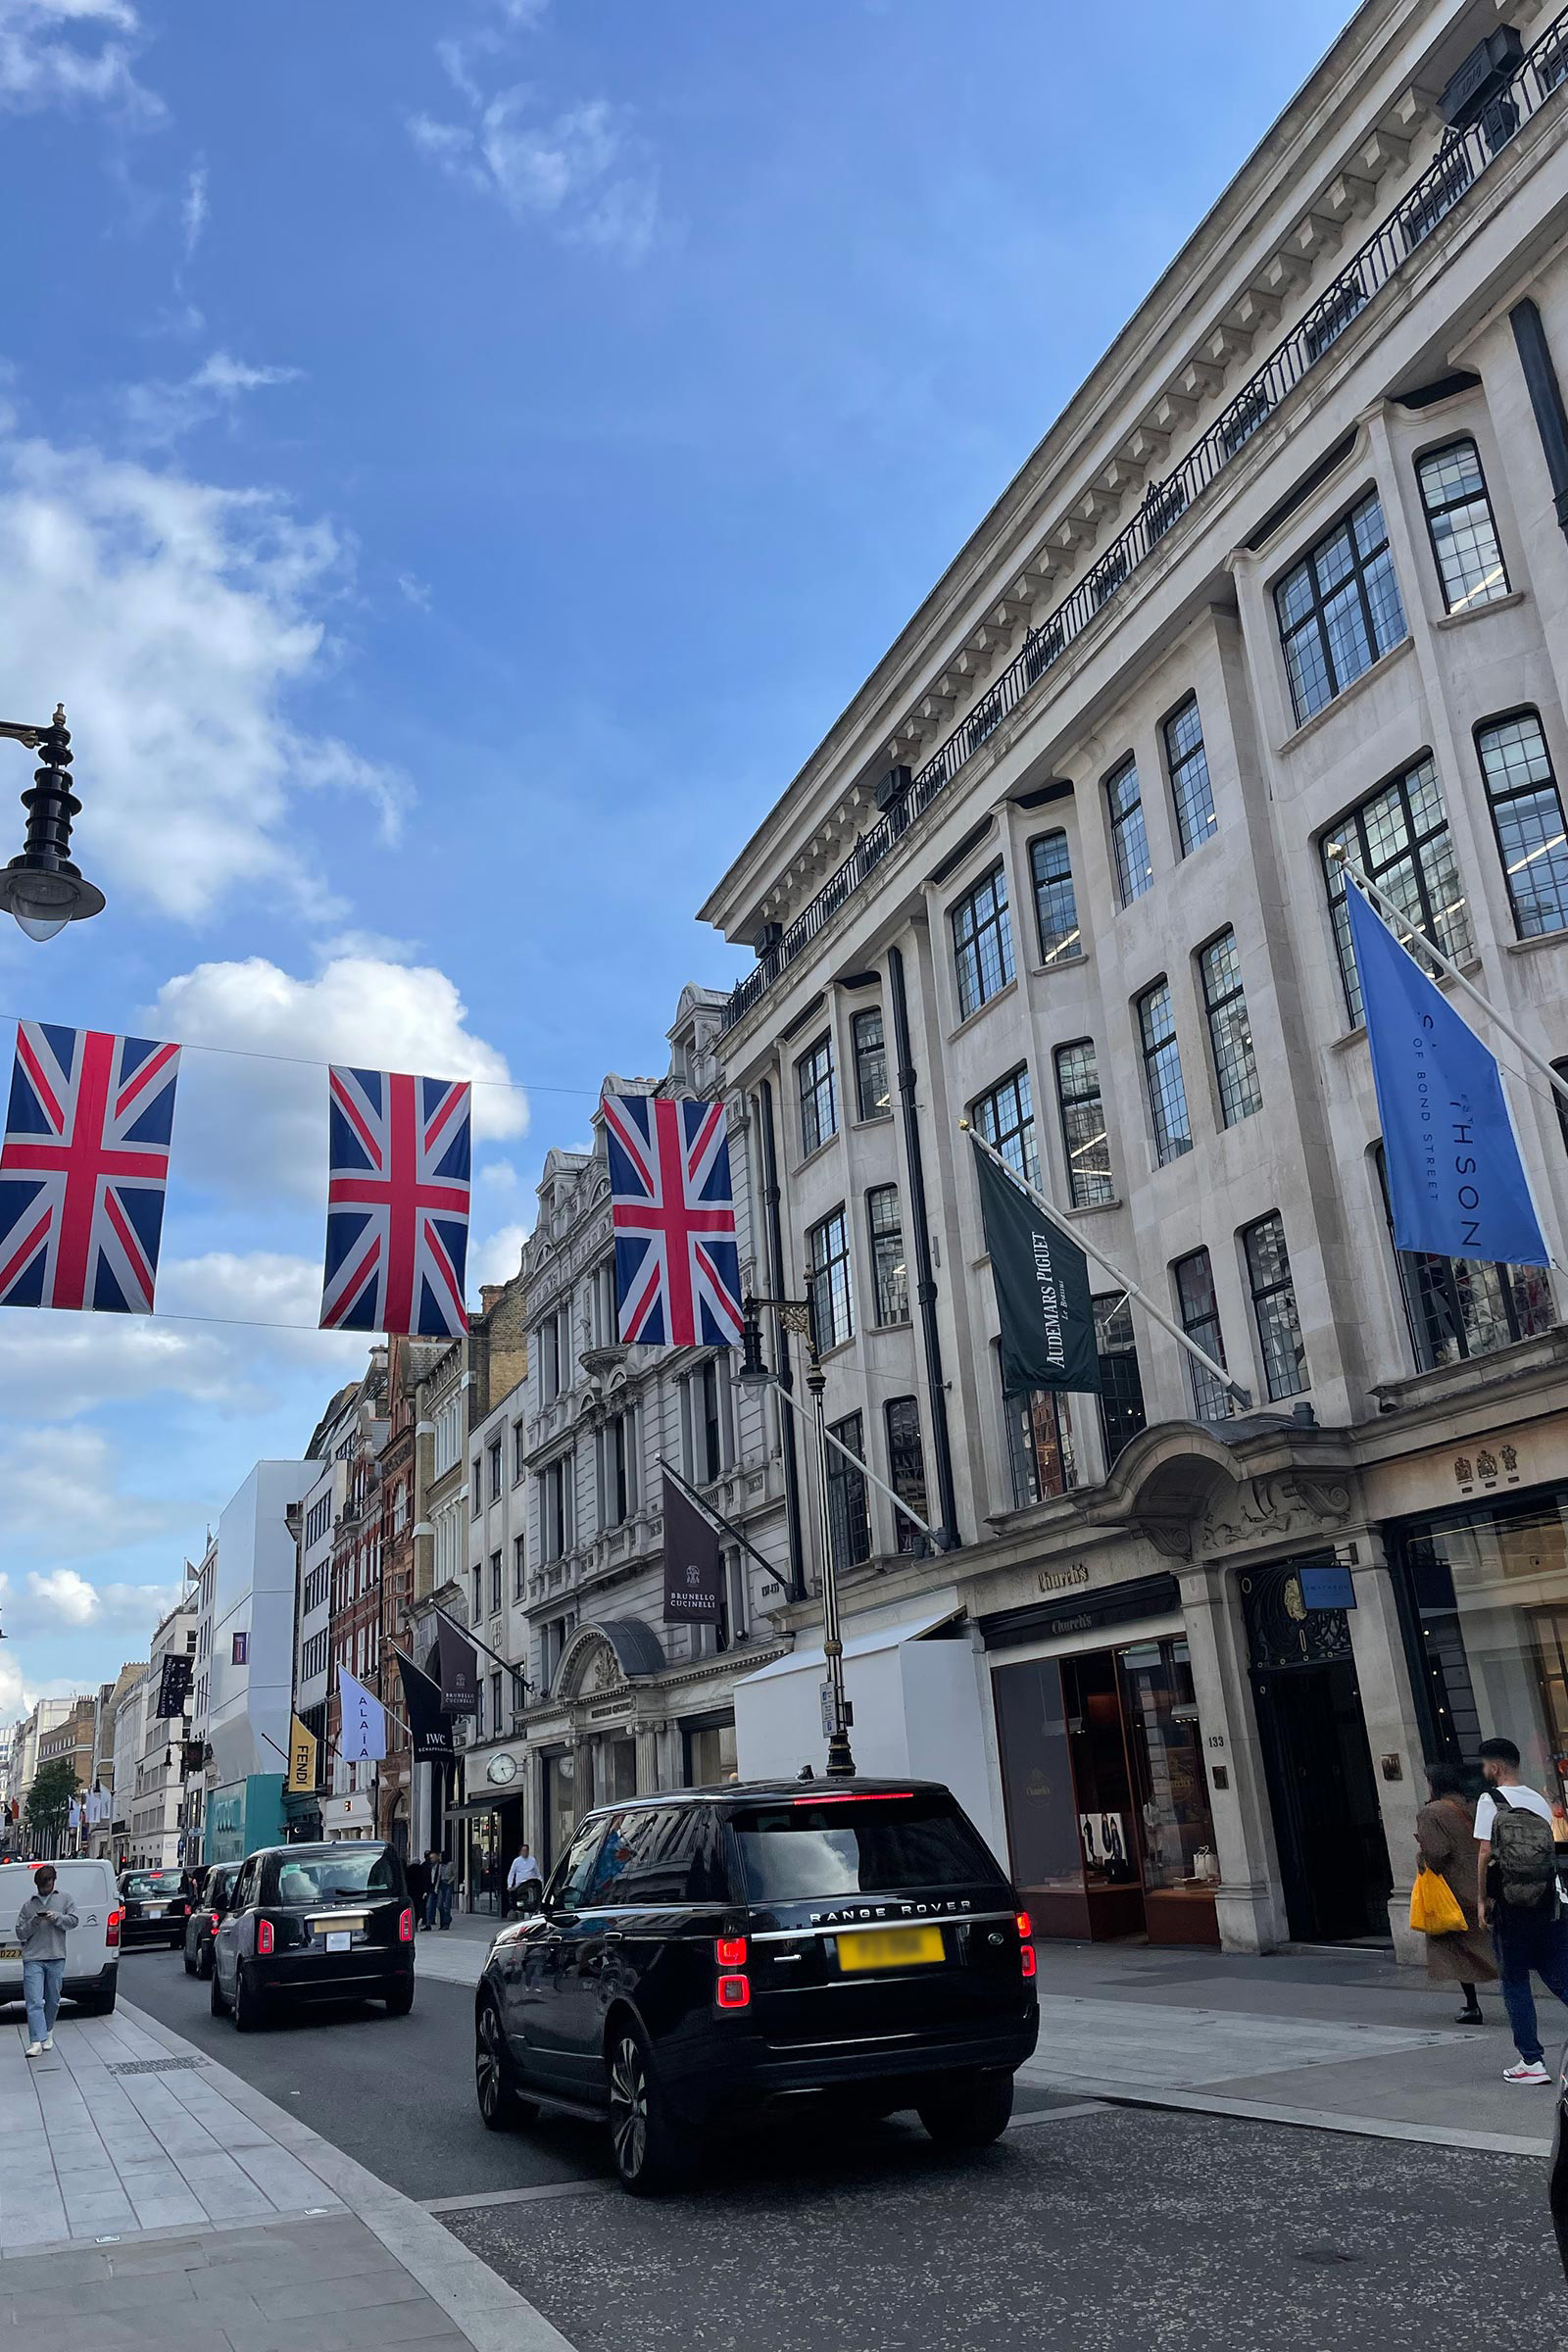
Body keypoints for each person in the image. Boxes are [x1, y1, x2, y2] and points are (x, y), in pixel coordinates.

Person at [1474, 1735, 1568, 2084]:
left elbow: (1485, 1853)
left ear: (1495, 1767)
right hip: (1547, 1900)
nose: (1483, 1772)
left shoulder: (1491, 1799)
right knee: (1558, 1972)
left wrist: (1482, 1900)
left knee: (1514, 1980)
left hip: (1511, 1904)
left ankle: (1531, 2060)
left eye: (1484, 1766)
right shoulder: (1538, 1799)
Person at [1414, 1760, 1495, 2023]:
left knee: (1458, 1946)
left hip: (1455, 1889)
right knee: (1494, 1942)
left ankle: (1472, 2005)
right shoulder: (1472, 1805)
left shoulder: (1432, 1812)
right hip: (1485, 1882)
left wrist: (1421, 1856)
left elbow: (1437, 1853)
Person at [17, 1864, 77, 2058]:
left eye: (47, 1884)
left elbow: (74, 1921)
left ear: (53, 1881)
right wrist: (34, 1922)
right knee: (33, 2001)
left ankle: (48, 2031)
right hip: (33, 1957)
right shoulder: (29, 1905)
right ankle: (36, 2041)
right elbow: (20, 1932)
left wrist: (57, 1918)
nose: (44, 1889)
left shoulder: (65, 1898)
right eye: (41, 1886)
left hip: (56, 1955)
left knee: (53, 1999)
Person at [507, 1842, 543, 1916]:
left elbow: (537, 1872)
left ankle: (535, 1908)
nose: (525, 1852)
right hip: (520, 1884)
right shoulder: (516, 1861)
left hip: (531, 1882)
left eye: (526, 1851)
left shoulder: (532, 1860)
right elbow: (511, 1873)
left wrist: (540, 1881)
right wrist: (510, 1885)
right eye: (523, 1851)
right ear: (520, 1852)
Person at [407, 1849, 430, 1931]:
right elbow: (424, 1881)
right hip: (419, 1893)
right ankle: (416, 1924)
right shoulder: (421, 1869)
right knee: (418, 1908)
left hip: (410, 1893)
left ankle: (412, 1925)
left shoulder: (408, 1870)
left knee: (411, 1908)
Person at [435, 1849, 456, 1930]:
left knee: (447, 1905)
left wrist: (450, 1881)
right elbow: (438, 1877)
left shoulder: (451, 1864)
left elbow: (454, 1874)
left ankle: (446, 1923)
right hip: (441, 1884)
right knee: (440, 1905)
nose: (439, 1857)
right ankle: (442, 1921)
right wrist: (436, 1887)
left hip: (448, 1884)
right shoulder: (440, 1865)